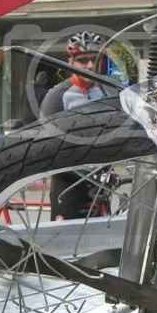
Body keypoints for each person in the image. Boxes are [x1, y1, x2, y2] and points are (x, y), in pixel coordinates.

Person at [40, 31, 109, 221]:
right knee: (65, 235)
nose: (90, 65)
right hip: (67, 180)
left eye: (95, 59)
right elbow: (47, 143)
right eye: (83, 60)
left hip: (100, 179)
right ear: (71, 62)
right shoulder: (57, 96)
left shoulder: (108, 92)